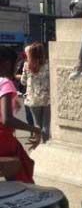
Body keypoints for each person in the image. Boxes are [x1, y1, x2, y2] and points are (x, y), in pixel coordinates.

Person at [0, 45, 41, 182]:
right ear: (7, 63)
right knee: (23, 169)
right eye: (15, 63)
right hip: (2, 138)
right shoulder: (5, 82)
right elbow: (7, 119)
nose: (16, 67)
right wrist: (34, 129)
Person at [20, 42, 51, 141]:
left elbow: (23, 82)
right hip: (47, 98)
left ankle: (39, 144)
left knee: (37, 124)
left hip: (33, 99)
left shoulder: (27, 65)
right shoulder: (48, 65)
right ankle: (45, 143)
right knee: (46, 125)